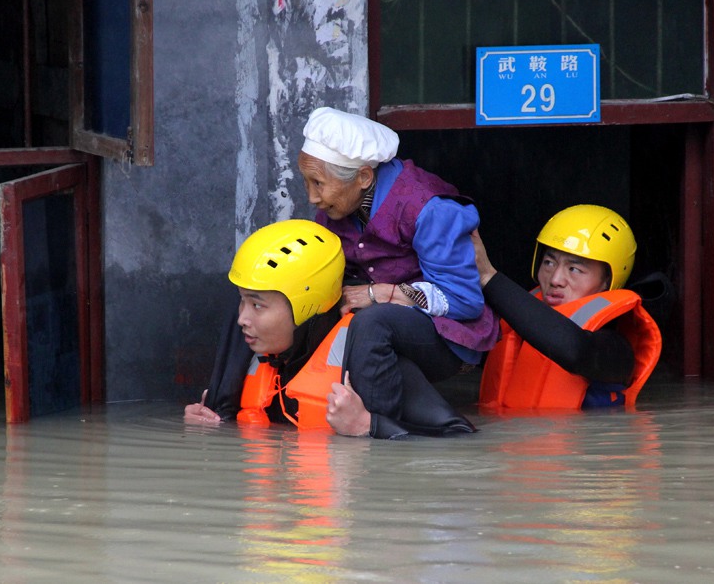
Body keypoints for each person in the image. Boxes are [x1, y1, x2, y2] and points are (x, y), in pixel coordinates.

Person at [298, 106, 499, 438]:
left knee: (373, 322)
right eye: (306, 181)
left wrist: (383, 294)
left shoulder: (427, 208)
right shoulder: (336, 206)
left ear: (363, 176)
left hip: (448, 333)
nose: (311, 196)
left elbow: (465, 301)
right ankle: (220, 407)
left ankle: (377, 439)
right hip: (384, 328)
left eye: (318, 183)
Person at [184, 218, 475, 439]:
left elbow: (460, 437)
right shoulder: (255, 351)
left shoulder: (365, 355)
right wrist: (208, 423)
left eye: (258, 305)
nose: (242, 319)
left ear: (305, 306)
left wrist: (366, 425)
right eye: (242, 302)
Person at [472, 204, 662, 410]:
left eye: (574, 269)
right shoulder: (507, 326)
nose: (555, 279)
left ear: (607, 282)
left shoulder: (616, 351)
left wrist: (488, 277)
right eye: (548, 263)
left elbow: (575, 350)